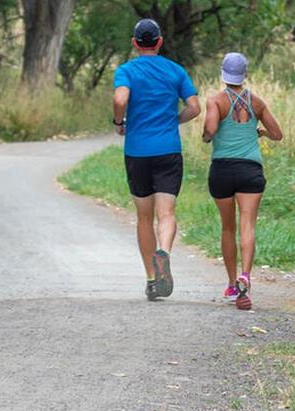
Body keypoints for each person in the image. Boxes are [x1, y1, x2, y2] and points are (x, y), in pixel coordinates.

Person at [112, 18, 201, 300]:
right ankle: (164, 251)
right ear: (160, 41)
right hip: (168, 150)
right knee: (167, 213)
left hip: (137, 152)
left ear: (135, 43)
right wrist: (175, 120)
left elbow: (120, 99)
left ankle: (152, 279)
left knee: (143, 217)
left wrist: (119, 121)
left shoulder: (126, 71)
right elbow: (195, 107)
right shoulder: (175, 71)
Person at [201, 52, 283, 311]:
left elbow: (211, 129)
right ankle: (245, 276)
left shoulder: (215, 101)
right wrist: (259, 132)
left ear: (223, 73)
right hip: (250, 170)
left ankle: (231, 283)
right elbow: (277, 134)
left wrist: (206, 136)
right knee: (247, 225)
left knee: (228, 228)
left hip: (223, 170)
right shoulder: (257, 102)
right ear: (244, 74)